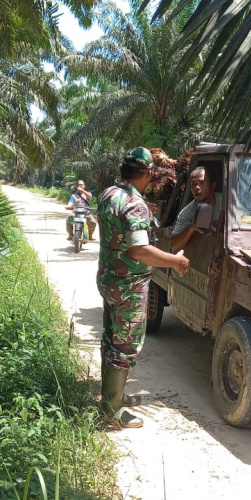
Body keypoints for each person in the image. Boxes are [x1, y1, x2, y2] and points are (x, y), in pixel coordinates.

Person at [97, 147, 190, 428]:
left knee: (111, 337)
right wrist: (175, 261)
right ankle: (111, 412)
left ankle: (113, 395)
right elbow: (139, 250)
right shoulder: (134, 204)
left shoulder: (108, 194)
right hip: (129, 287)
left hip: (110, 279)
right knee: (124, 347)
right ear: (149, 173)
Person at [170, 166, 222, 252]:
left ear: (212, 186)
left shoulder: (228, 203)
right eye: (193, 184)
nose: (196, 187)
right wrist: (191, 228)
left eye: (202, 183)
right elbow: (174, 246)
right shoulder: (188, 212)